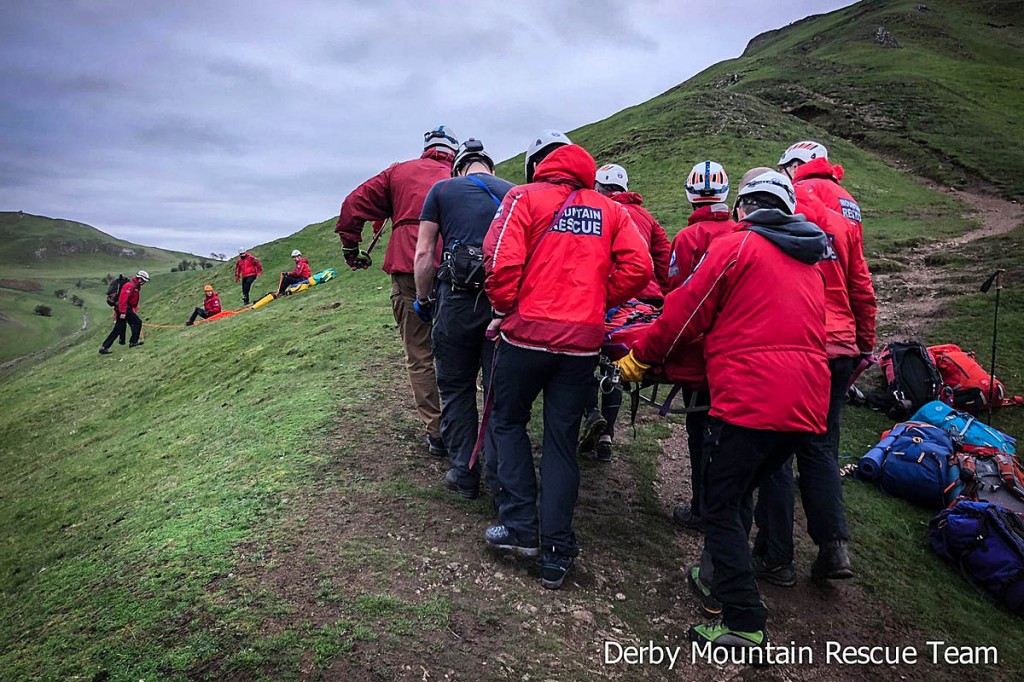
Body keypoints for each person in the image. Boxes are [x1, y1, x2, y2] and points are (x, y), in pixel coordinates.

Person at [615, 171, 837, 652]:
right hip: (806, 403)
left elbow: (683, 315)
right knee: (738, 494)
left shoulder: (738, 247)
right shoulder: (808, 261)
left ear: (743, 209)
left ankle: (743, 619)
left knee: (718, 505)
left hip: (752, 400)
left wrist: (641, 357)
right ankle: (717, 572)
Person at [482, 139, 652, 590]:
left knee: (508, 421)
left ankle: (520, 526)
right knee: (560, 442)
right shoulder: (611, 210)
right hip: (580, 343)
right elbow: (640, 267)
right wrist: (597, 300)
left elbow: (500, 260)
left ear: (539, 165)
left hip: (526, 337)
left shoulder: (522, 196)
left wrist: (503, 307)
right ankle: (557, 549)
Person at [751, 155, 877, 586]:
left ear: (790, 170)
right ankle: (833, 546)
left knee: (776, 450)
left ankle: (775, 553)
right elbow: (861, 283)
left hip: (799, 342)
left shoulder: (784, 210)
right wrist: (865, 343)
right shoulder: (846, 214)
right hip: (840, 347)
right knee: (821, 448)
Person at [336, 125, 459, 457]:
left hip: (408, 263)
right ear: (453, 151)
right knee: (461, 352)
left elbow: (353, 205)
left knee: (419, 354)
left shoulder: (398, 173)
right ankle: (465, 426)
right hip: (459, 266)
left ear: (426, 148)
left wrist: (351, 248)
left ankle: (437, 431)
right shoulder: (459, 174)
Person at [413, 138, 515, 500]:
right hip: (501, 306)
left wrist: (423, 298)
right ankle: (499, 473)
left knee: (455, 386)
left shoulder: (442, 190)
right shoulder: (516, 193)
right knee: (497, 393)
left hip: (455, 301)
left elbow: (425, 252)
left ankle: (463, 473)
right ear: (490, 168)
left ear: (459, 167)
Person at [577, 163, 672, 461]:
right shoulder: (648, 218)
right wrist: (666, 300)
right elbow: (666, 261)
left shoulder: (597, 210)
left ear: (599, 187)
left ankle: (591, 412)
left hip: (607, 297)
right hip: (644, 303)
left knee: (585, 358)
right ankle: (606, 437)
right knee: (615, 369)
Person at [667, 160, 739, 531]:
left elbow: (675, 292)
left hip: (697, 350)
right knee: (733, 433)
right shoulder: (741, 233)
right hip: (737, 349)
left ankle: (700, 507)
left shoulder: (685, 238)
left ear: (690, 196)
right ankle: (733, 510)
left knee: (698, 431)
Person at [778, 141, 863, 228]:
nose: (780, 175)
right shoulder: (846, 196)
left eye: (781, 170)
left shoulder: (801, 189)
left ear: (795, 167)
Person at [99, 270, 149, 354]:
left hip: (123, 309)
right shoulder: (130, 286)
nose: (144, 282)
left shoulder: (134, 286)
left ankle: (105, 347)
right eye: (144, 280)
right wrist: (123, 312)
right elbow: (123, 299)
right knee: (137, 323)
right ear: (140, 279)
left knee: (117, 329)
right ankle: (133, 342)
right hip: (124, 309)